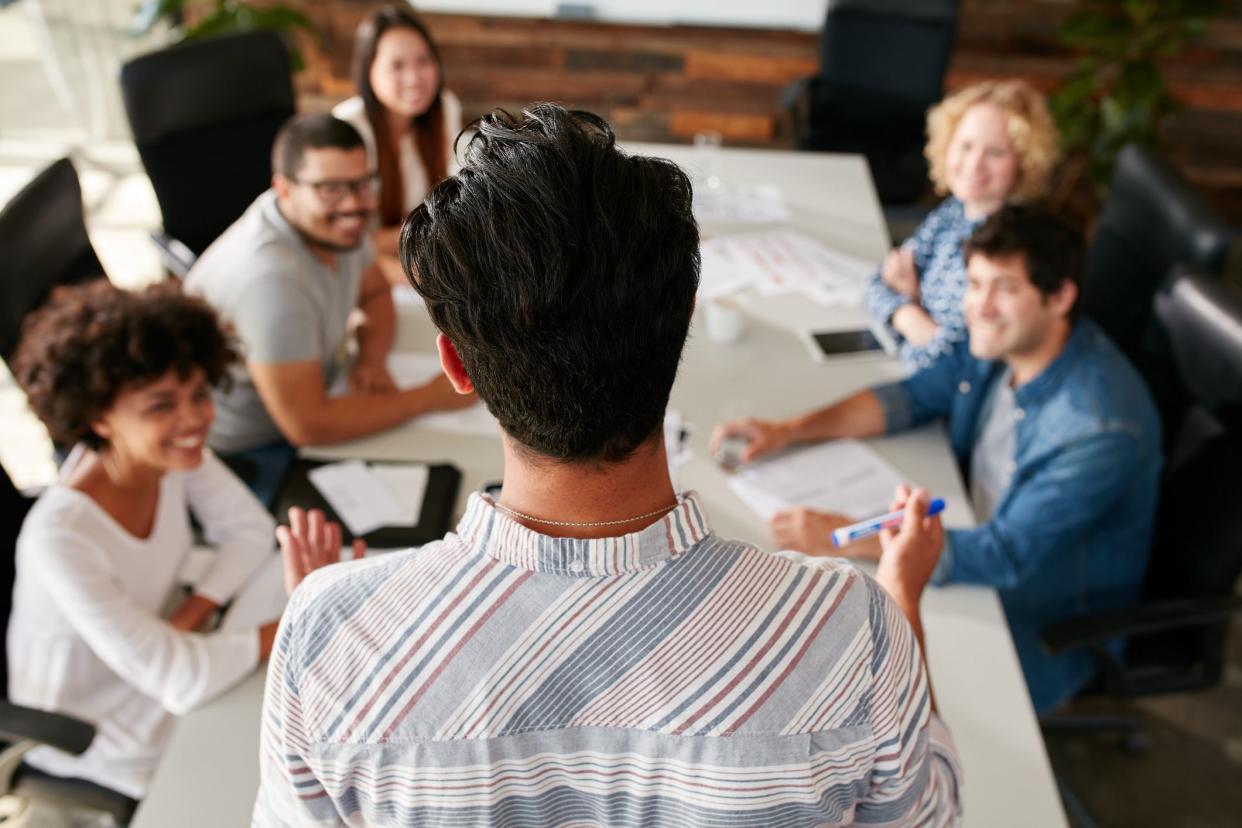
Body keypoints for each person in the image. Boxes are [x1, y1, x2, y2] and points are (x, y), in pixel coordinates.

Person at [253, 104, 962, 826]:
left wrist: (348, 623)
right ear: (683, 319)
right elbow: (927, 816)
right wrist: (901, 599)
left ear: (455, 364)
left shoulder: (327, 631)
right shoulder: (849, 625)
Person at [713, 204, 1162, 713]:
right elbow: (914, 397)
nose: (979, 306)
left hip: (1037, 620)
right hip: (968, 532)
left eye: (1005, 289)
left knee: (845, 684)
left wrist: (849, 534)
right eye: (974, 283)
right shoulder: (998, 340)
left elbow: (1006, 553)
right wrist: (785, 431)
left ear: (1059, 297)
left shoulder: (1096, 427)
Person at [6, 281, 344, 805]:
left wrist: (194, 610)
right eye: (161, 405)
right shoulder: (62, 539)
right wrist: (306, 619)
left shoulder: (165, 452)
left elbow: (249, 532)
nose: (194, 420)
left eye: (199, 394)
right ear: (99, 416)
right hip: (104, 723)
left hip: (163, 646)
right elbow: (181, 679)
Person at [185, 113, 472, 504]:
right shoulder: (271, 283)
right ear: (284, 190)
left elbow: (373, 291)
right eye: (330, 188)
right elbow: (308, 425)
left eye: (362, 183)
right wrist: (429, 397)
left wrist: (372, 358)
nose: (354, 205)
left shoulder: (331, 225)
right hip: (255, 451)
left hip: (320, 386)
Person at [865, 79, 1059, 368]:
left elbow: (959, 365)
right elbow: (880, 280)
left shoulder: (1007, 247)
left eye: (995, 153)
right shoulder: (955, 211)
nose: (975, 163)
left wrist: (907, 309)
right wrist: (913, 314)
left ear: (1024, 163)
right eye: (965, 146)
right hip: (897, 357)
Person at [334, 5, 462, 285]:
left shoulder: (445, 108)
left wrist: (387, 240)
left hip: (419, 260)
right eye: (397, 65)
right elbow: (346, 246)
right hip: (366, 273)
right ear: (369, 70)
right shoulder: (349, 127)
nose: (415, 78)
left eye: (424, 61)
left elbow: (449, 216)